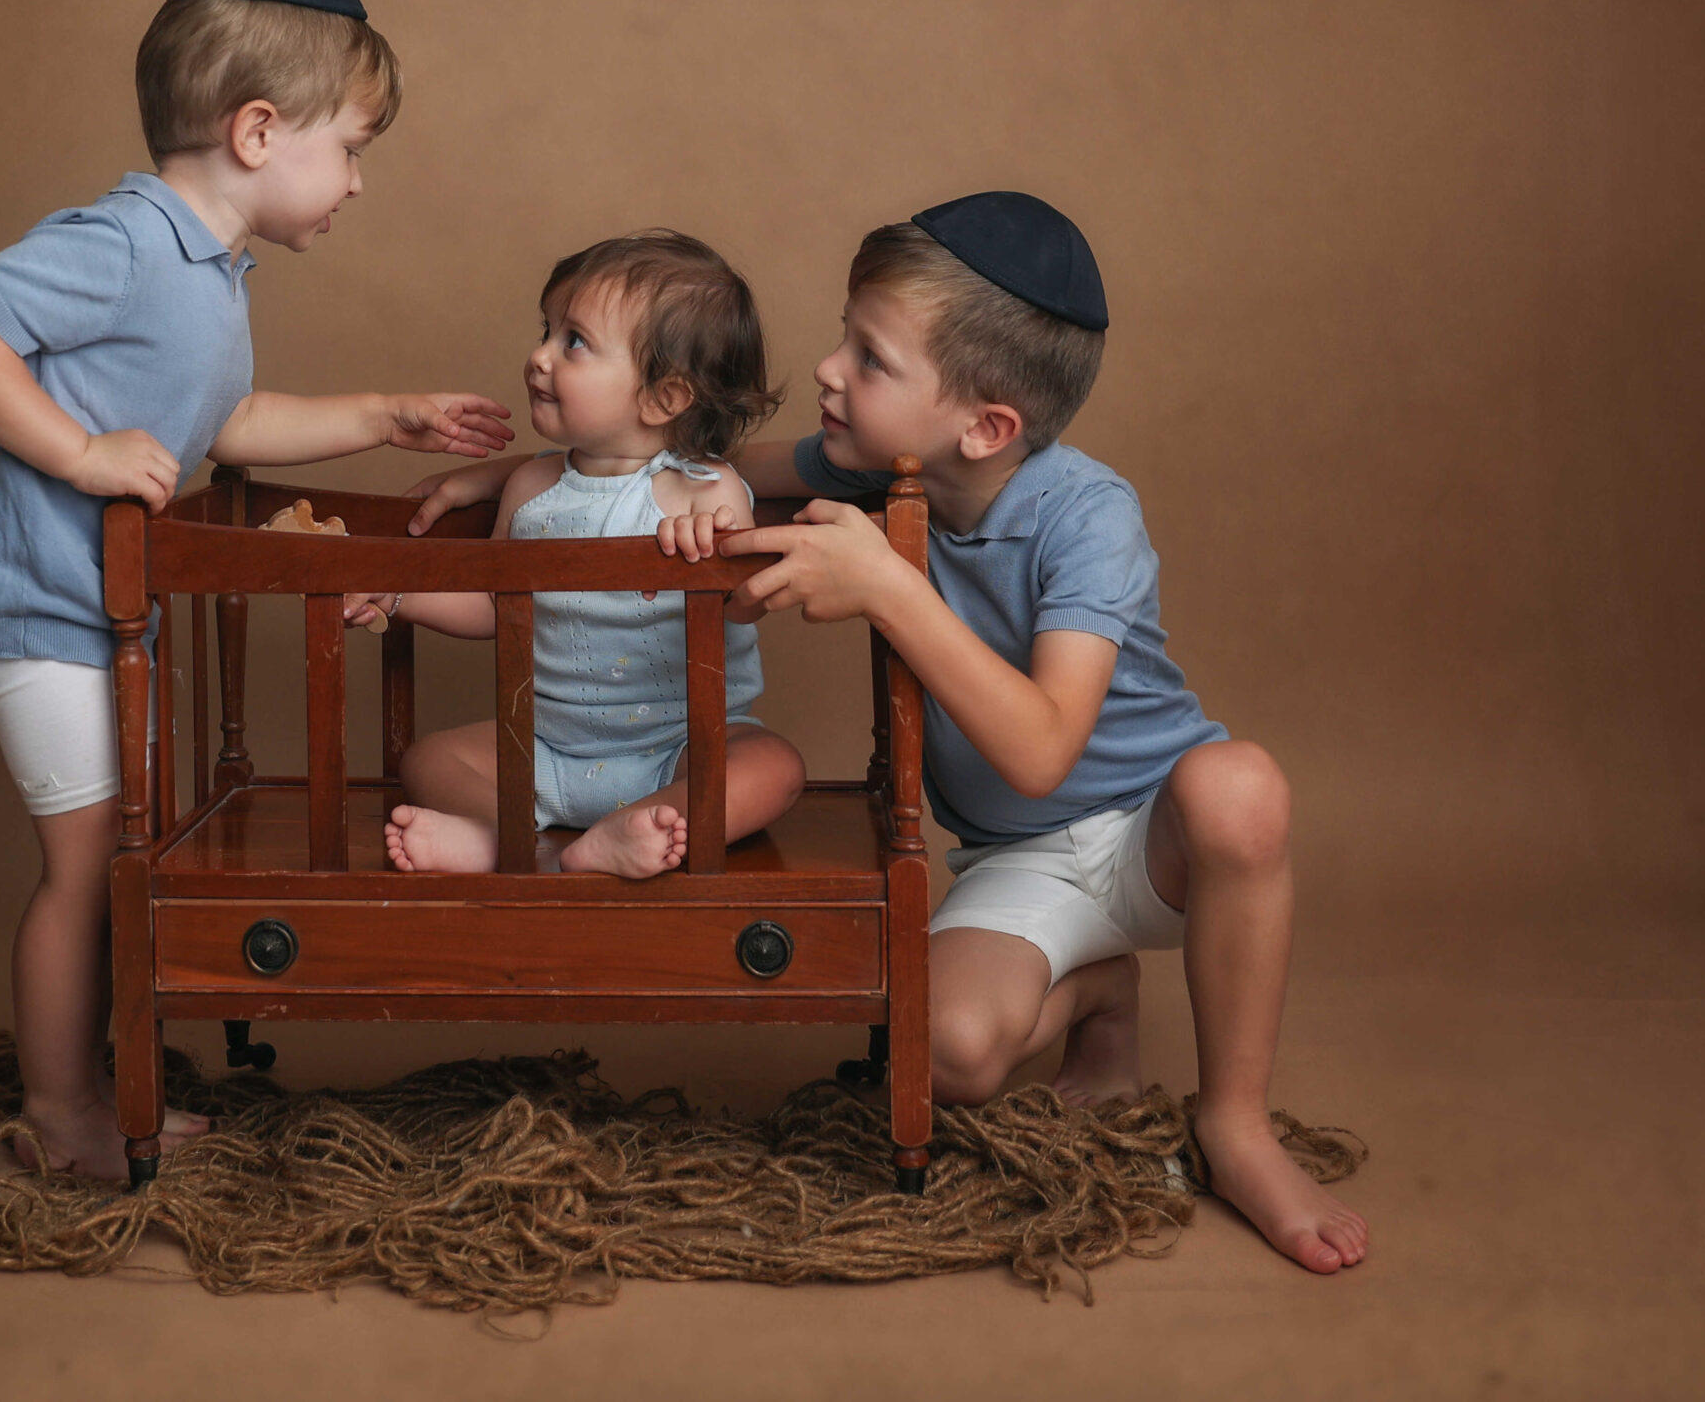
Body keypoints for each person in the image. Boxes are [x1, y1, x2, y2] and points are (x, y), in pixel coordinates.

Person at [408, 193, 1369, 1274]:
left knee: (1239, 784)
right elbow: (678, 458)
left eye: (868, 358)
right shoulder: (865, 466)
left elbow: (1042, 749)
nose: (828, 369)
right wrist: (517, 478)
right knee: (943, 1054)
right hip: (1017, 859)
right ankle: (1099, 990)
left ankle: (1236, 1122)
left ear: (985, 427)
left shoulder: (1086, 513)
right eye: (844, 338)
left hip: (1157, 835)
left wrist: (886, 586)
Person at [0, 0, 514, 1178]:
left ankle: (100, 1081)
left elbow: (224, 424)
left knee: (122, 859)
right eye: (351, 149)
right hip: (33, 608)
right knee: (90, 870)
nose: (358, 183)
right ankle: (63, 1111)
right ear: (257, 131)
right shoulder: (129, 243)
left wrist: (382, 414)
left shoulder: (209, 268)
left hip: (93, 611)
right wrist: (77, 452)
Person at [346, 230, 807, 879]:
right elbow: (494, 604)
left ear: (664, 397)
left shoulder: (705, 490)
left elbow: (748, 606)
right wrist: (397, 593)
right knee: (429, 759)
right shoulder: (532, 488)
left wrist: (715, 558)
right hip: (544, 744)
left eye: (575, 342)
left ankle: (646, 823)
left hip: (680, 747)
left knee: (775, 767)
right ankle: (495, 833)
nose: (539, 356)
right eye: (547, 331)